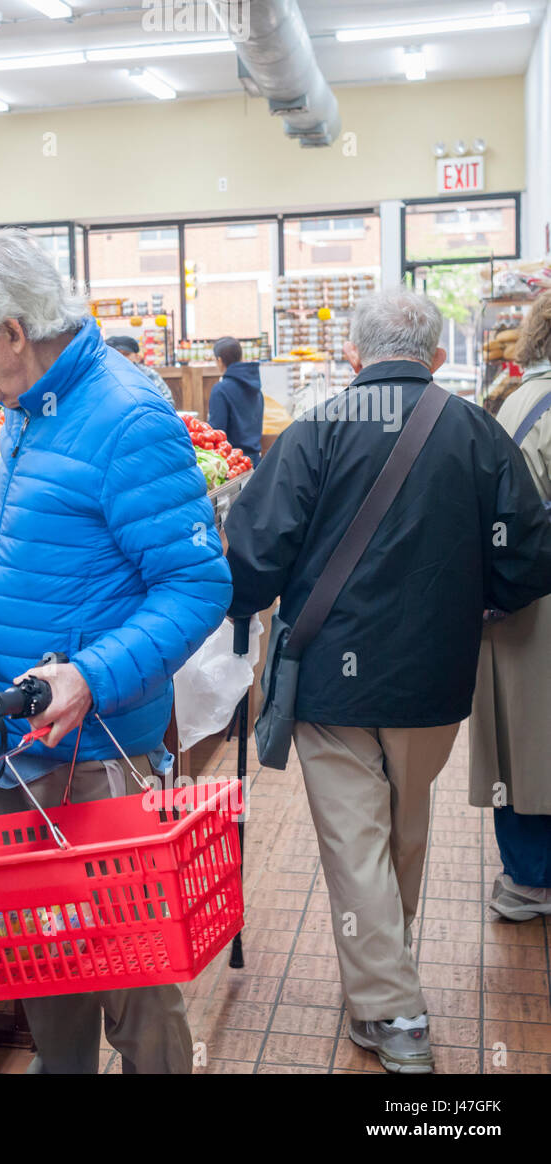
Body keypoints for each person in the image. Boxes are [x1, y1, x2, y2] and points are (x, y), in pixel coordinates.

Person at [224, 288, 551, 1074]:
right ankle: (383, 979)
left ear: (353, 357)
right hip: (435, 679)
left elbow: (252, 555)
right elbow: (529, 555)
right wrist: (482, 602)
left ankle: (396, 1012)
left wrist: (240, 608)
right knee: (403, 829)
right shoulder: (475, 429)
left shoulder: (313, 432)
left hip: (329, 682)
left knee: (355, 839)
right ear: (437, 356)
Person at [0, 229, 232, 1075]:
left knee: (132, 966)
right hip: (23, 746)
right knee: (43, 947)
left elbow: (196, 584)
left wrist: (88, 675)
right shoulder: (33, 408)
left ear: (13, 332)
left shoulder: (127, 416)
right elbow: (30, 489)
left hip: (100, 750)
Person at [469, 290, 551, 921]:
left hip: (529, 606)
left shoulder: (520, 404)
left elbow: (501, 513)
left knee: (523, 742)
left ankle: (528, 879)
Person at [208, 337, 263, 462]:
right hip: (255, 462)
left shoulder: (221, 390)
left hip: (233, 463)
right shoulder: (256, 386)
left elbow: (217, 432)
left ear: (220, 360)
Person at [105, 334, 176, 407]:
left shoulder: (148, 375)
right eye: (115, 354)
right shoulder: (103, 377)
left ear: (136, 357)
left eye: (126, 354)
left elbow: (168, 402)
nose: (121, 357)